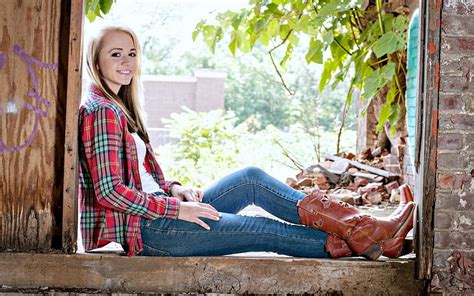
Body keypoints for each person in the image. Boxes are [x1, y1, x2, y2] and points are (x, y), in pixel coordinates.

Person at [78, 26, 415, 260]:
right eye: (116, 54)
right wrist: (177, 208)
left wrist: (174, 188)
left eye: (132, 54)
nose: (126, 62)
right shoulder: (102, 111)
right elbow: (109, 191)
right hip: (154, 231)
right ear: (96, 62)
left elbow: (141, 176)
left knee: (251, 179)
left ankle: (365, 231)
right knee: (260, 229)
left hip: (163, 211)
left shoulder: (120, 107)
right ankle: (374, 239)